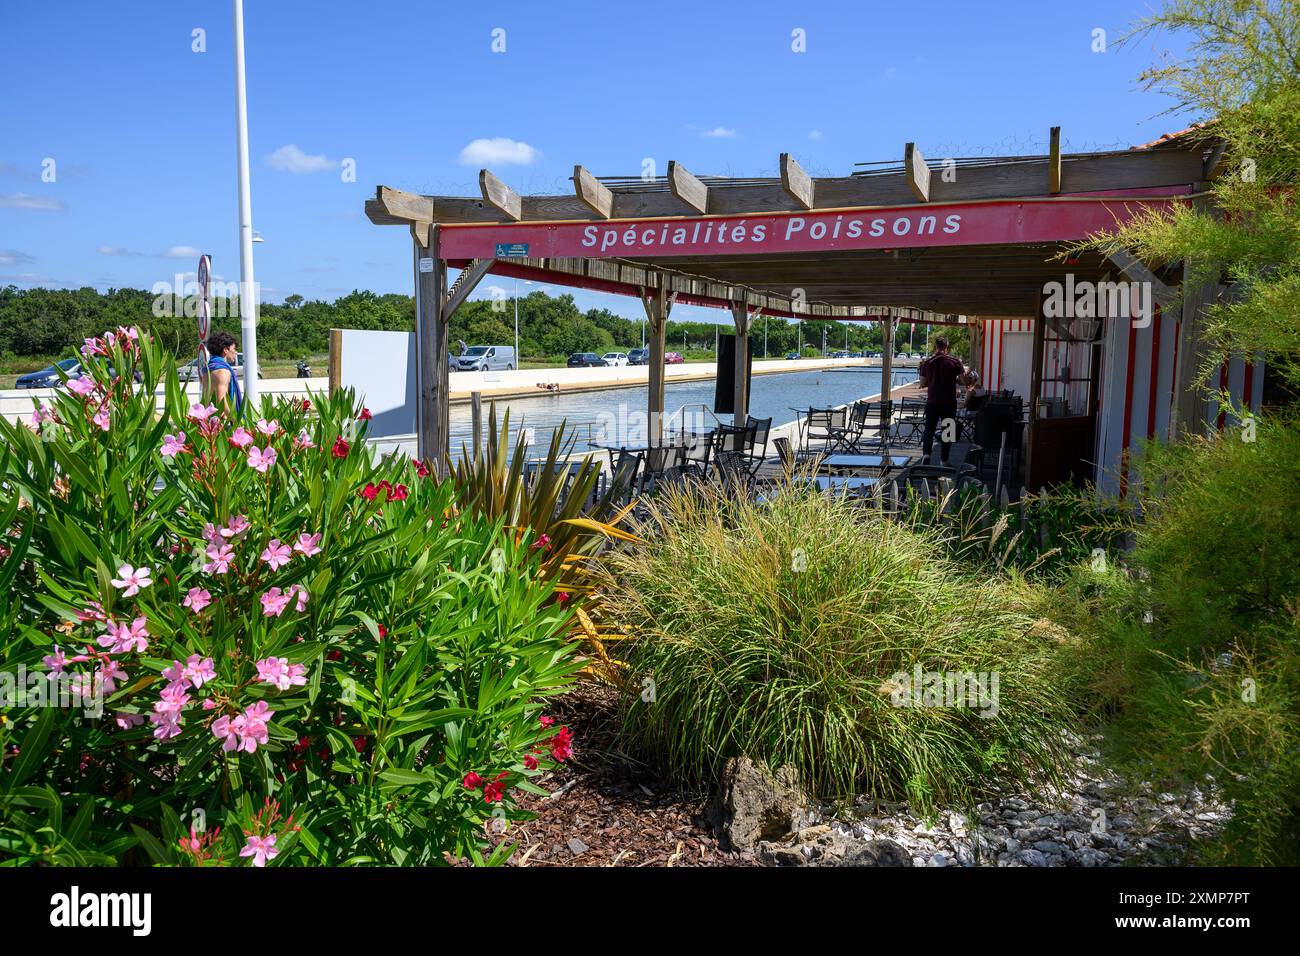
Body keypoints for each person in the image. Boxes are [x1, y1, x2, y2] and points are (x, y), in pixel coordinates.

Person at [917, 336, 964, 465]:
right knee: (948, 430)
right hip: (949, 401)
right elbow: (963, 381)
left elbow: (922, 383)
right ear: (946, 346)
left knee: (929, 429)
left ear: (935, 346)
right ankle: (944, 459)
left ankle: (926, 454)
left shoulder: (927, 363)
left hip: (932, 401)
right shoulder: (955, 362)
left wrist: (932, 381)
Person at [204, 330, 243, 415]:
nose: (236, 352)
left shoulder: (207, 369)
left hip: (209, 416)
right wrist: (237, 422)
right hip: (222, 421)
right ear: (225, 350)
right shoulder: (222, 371)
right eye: (234, 348)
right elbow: (221, 402)